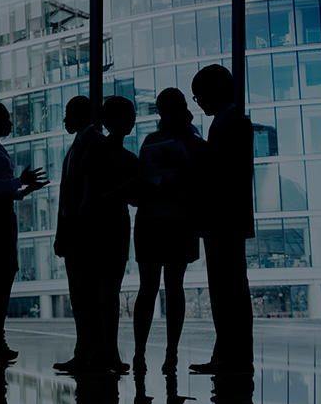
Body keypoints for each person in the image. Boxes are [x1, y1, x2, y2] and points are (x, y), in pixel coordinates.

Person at [130, 88, 207, 375]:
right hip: (173, 219)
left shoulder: (169, 140)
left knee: (152, 288)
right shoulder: (192, 141)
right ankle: (166, 354)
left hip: (157, 219)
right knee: (170, 287)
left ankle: (146, 354)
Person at [189, 64, 255, 374]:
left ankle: (234, 356)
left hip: (225, 220)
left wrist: (196, 152)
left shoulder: (234, 123)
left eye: (198, 95)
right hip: (223, 220)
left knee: (229, 290)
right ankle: (226, 353)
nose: (197, 102)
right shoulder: (226, 122)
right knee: (225, 289)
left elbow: (227, 173)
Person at [0, 102, 48, 366]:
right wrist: (20, 182)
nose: (11, 124)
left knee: (1, 276)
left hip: (1, 213)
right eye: (6, 118)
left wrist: (25, 190)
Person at [88, 96, 139, 374]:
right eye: (129, 115)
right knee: (107, 290)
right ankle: (105, 349)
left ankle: (104, 348)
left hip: (105, 224)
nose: (132, 121)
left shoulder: (100, 151)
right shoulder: (120, 156)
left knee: (105, 291)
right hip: (110, 224)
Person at [52, 96, 103, 373]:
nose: (64, 119)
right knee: (79, 296)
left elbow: (86, 194)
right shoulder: (77, 146)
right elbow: (66, 198)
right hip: (74, 235)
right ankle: (84, 351)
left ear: (82, 115)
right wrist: (62, 235)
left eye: (68, 113)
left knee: (87, 296)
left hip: (85, 235)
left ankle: (88, 352)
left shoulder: (94, 144)